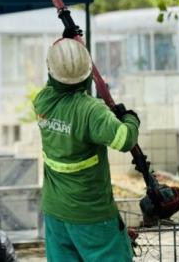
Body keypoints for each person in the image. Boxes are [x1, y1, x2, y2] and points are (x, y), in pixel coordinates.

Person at [33, 38, 140, 261]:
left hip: (55, 212)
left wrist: (64, 45)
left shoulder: (42, 102)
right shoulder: (91, 111)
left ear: (50, 71)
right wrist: (130, 118)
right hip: (91, 215)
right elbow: (124, 140)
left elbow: (54, 81)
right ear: (88, 72)